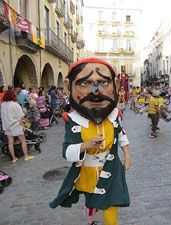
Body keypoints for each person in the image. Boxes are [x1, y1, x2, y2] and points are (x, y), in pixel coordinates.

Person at [49, 58, 131, 225]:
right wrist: (84, 146)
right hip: (88, 172)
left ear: (114, 86)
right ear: (68, 87)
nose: (95, 90)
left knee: (110, 207)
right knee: (92, 202)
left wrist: (127, 157)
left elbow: (121, 135)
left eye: (103, 82)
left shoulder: (114, 115)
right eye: (85, 83)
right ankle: (90, 213)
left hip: (112, 169)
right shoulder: (73, 121)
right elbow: (67, 152)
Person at [0, 90, 34, 162]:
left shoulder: (2, 105)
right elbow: (20, 117)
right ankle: (26, 156)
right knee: (23, 141)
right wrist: (24, 126)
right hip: (15, 125)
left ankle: (14, 158)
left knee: (10, 142)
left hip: (7, 126)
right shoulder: (15, 105)